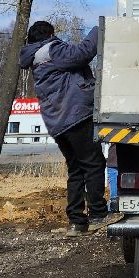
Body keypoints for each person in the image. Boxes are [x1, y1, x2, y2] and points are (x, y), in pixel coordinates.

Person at [20, 20, 112, 233]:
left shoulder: (35, 57)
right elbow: (84, 51)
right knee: (94, 163)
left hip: (57, 122)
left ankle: (77, 221)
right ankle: (98, 213)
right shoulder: (52, 49)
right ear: (50, 34)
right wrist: (100, 27)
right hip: (75, 116)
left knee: (77, 168)